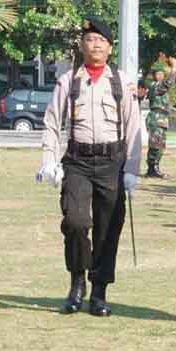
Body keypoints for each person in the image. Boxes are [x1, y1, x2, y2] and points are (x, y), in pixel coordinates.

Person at [36, 17, 142, 318]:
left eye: (101, 41)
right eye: (89, 39)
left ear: (109, 48)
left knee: (108, 230)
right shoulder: (68, 82)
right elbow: (53, 123)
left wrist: (132, 169)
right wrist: (49, 160)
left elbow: (134, 128)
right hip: (78, 162)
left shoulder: (120, 82)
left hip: (112, 163)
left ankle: (99, 292)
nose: (95, 44)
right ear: (82, 46)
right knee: (76, 222)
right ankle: (76, 282)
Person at [144, 57, 175, 178]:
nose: (160, 76)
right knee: (155, 145)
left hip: (161, 118)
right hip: (156, 118)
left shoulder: (158, 86)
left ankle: (154, 168)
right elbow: (168, 83)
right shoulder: (156, 86)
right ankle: (152, 169)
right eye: (158, 73)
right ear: (154, 75)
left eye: (162, 73)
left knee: (160, 145)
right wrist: (173, 68)